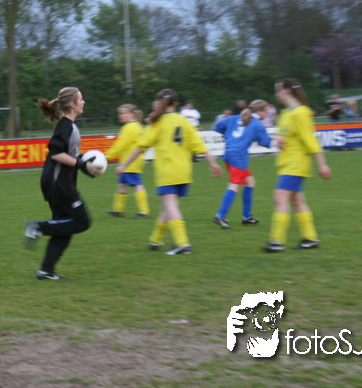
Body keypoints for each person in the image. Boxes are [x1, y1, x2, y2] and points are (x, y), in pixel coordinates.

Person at [115, 88, 222, 255]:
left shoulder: (159, 122)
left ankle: (182, 244)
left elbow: (140, 147)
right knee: (168, 208)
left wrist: (123, 165)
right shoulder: (183, 121)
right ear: (176, 103)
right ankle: (156, 240)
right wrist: (213, 163)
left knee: (170, 206)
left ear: (160, 102)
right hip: (184, 172)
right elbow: (199, 145)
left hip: (167, 172)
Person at [23, 87, 95, 280]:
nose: (84, 102)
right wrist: (80, 164)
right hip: (59, 184)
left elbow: (69, 155)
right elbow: (56, 153)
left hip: (56, 183)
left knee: (64, 228)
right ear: (72, 104)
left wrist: (84, 164)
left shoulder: (69, 126)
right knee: (81, 221)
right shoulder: (65, 126)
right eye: (81, 99)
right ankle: (38, 228)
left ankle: (46, 271)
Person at [263, 77, 331, 252]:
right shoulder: (286, 114)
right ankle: (310, 238)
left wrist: (322, 165)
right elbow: (284, 135)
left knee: (280, 197)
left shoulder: (301, 113)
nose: (276, 94)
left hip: (296, 165)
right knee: (297, 200)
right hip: (286, 164)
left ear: (287, 90)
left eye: (278, 90)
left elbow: (311, 141)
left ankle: (276, 241)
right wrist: (279, 140)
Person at [212, 99, 273, 229]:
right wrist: (275, 139)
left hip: (229, 154)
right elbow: (266, 142)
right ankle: (220, 215)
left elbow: (218, 126)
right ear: (259, 111)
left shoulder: (234, 118)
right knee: (234, 185)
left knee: (250, 182)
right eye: (266, 112)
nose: (267, 114)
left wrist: (230, 137)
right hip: (238, 157)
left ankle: (247, 217)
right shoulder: (257, 125)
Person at [105, 104, 150, 219]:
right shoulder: (137, 126)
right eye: (120, 113)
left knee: (136, 185)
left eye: (123, 113)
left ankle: (144, 211)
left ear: (132, 114)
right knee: (122, 184)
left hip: (130, 162)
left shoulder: (129, 127)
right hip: (134, 161)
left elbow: (120, 145)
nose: (120, 115)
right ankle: (117, 210)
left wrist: (107, 157)